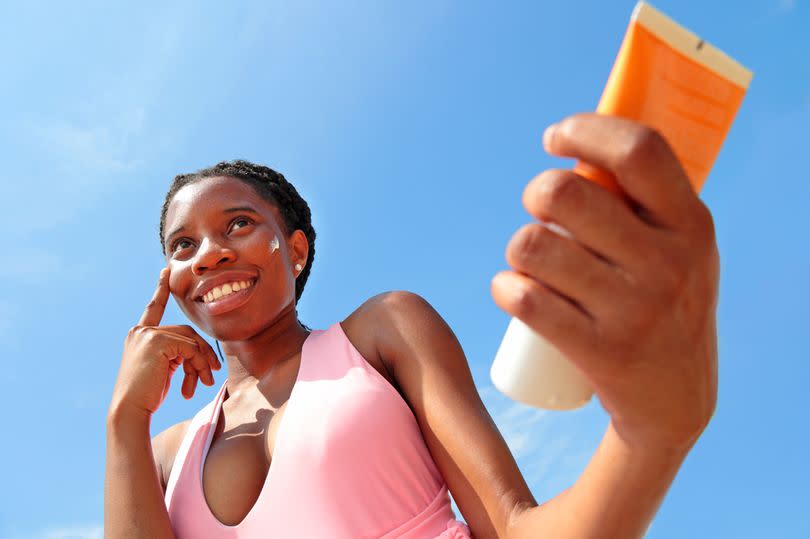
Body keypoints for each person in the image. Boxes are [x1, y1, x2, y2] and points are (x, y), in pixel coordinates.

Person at [105, 113, 719, 538]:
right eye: (182, 245)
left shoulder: (382, 334)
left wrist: (649, 437)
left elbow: (513, 528)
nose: (208, 253)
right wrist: (124, 421)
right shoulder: (165, 453)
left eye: (238, 223)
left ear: (294, 250)